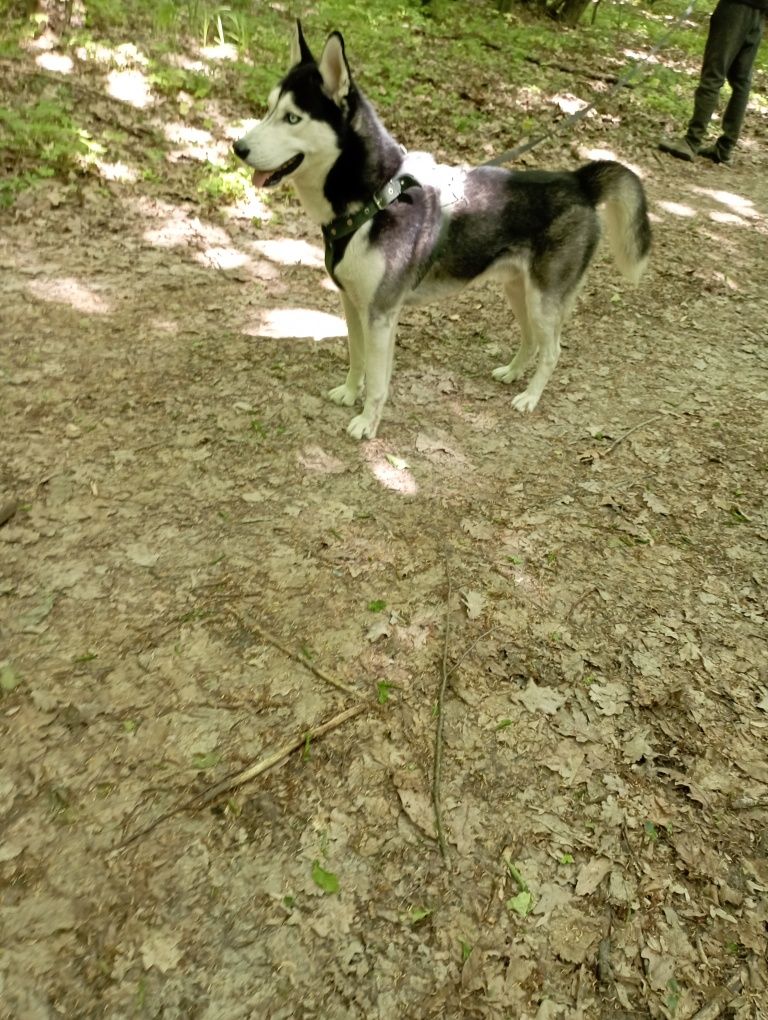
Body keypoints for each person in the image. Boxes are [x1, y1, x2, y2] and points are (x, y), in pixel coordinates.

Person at [659, 0, 766, 164]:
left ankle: (691, 141)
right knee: (741, 81)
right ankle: (725, 148)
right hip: (759, 13)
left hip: (735, 8)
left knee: (714, 75)